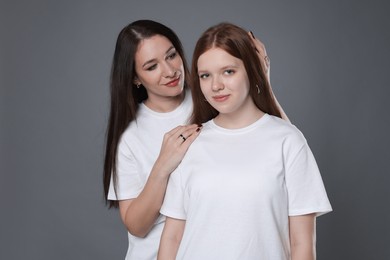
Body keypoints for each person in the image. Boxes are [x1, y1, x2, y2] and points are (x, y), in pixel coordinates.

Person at [103, 20, 289, 260]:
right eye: (151, 67)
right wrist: (162, 167)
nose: (170, 71)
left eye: (171, 55)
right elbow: (137, 226)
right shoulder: (131, 139)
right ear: (135, 78)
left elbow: (284, 151)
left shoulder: (214, 96)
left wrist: (262, 79)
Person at [158, 23, 332, 260]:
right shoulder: (189, 143)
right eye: (205, 75)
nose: (216, 85)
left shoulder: (288, 141)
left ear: (251, 69)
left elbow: (302, 243)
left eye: (228, 71)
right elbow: (172, 237)